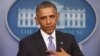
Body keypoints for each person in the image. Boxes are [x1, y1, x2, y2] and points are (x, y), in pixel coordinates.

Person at [17, 1, 84, 56]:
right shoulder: (26, 43)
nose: (48, 22)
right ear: (37, 20)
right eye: (43, 18)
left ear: (57, 17)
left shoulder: (69, 39)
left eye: (51, 17)